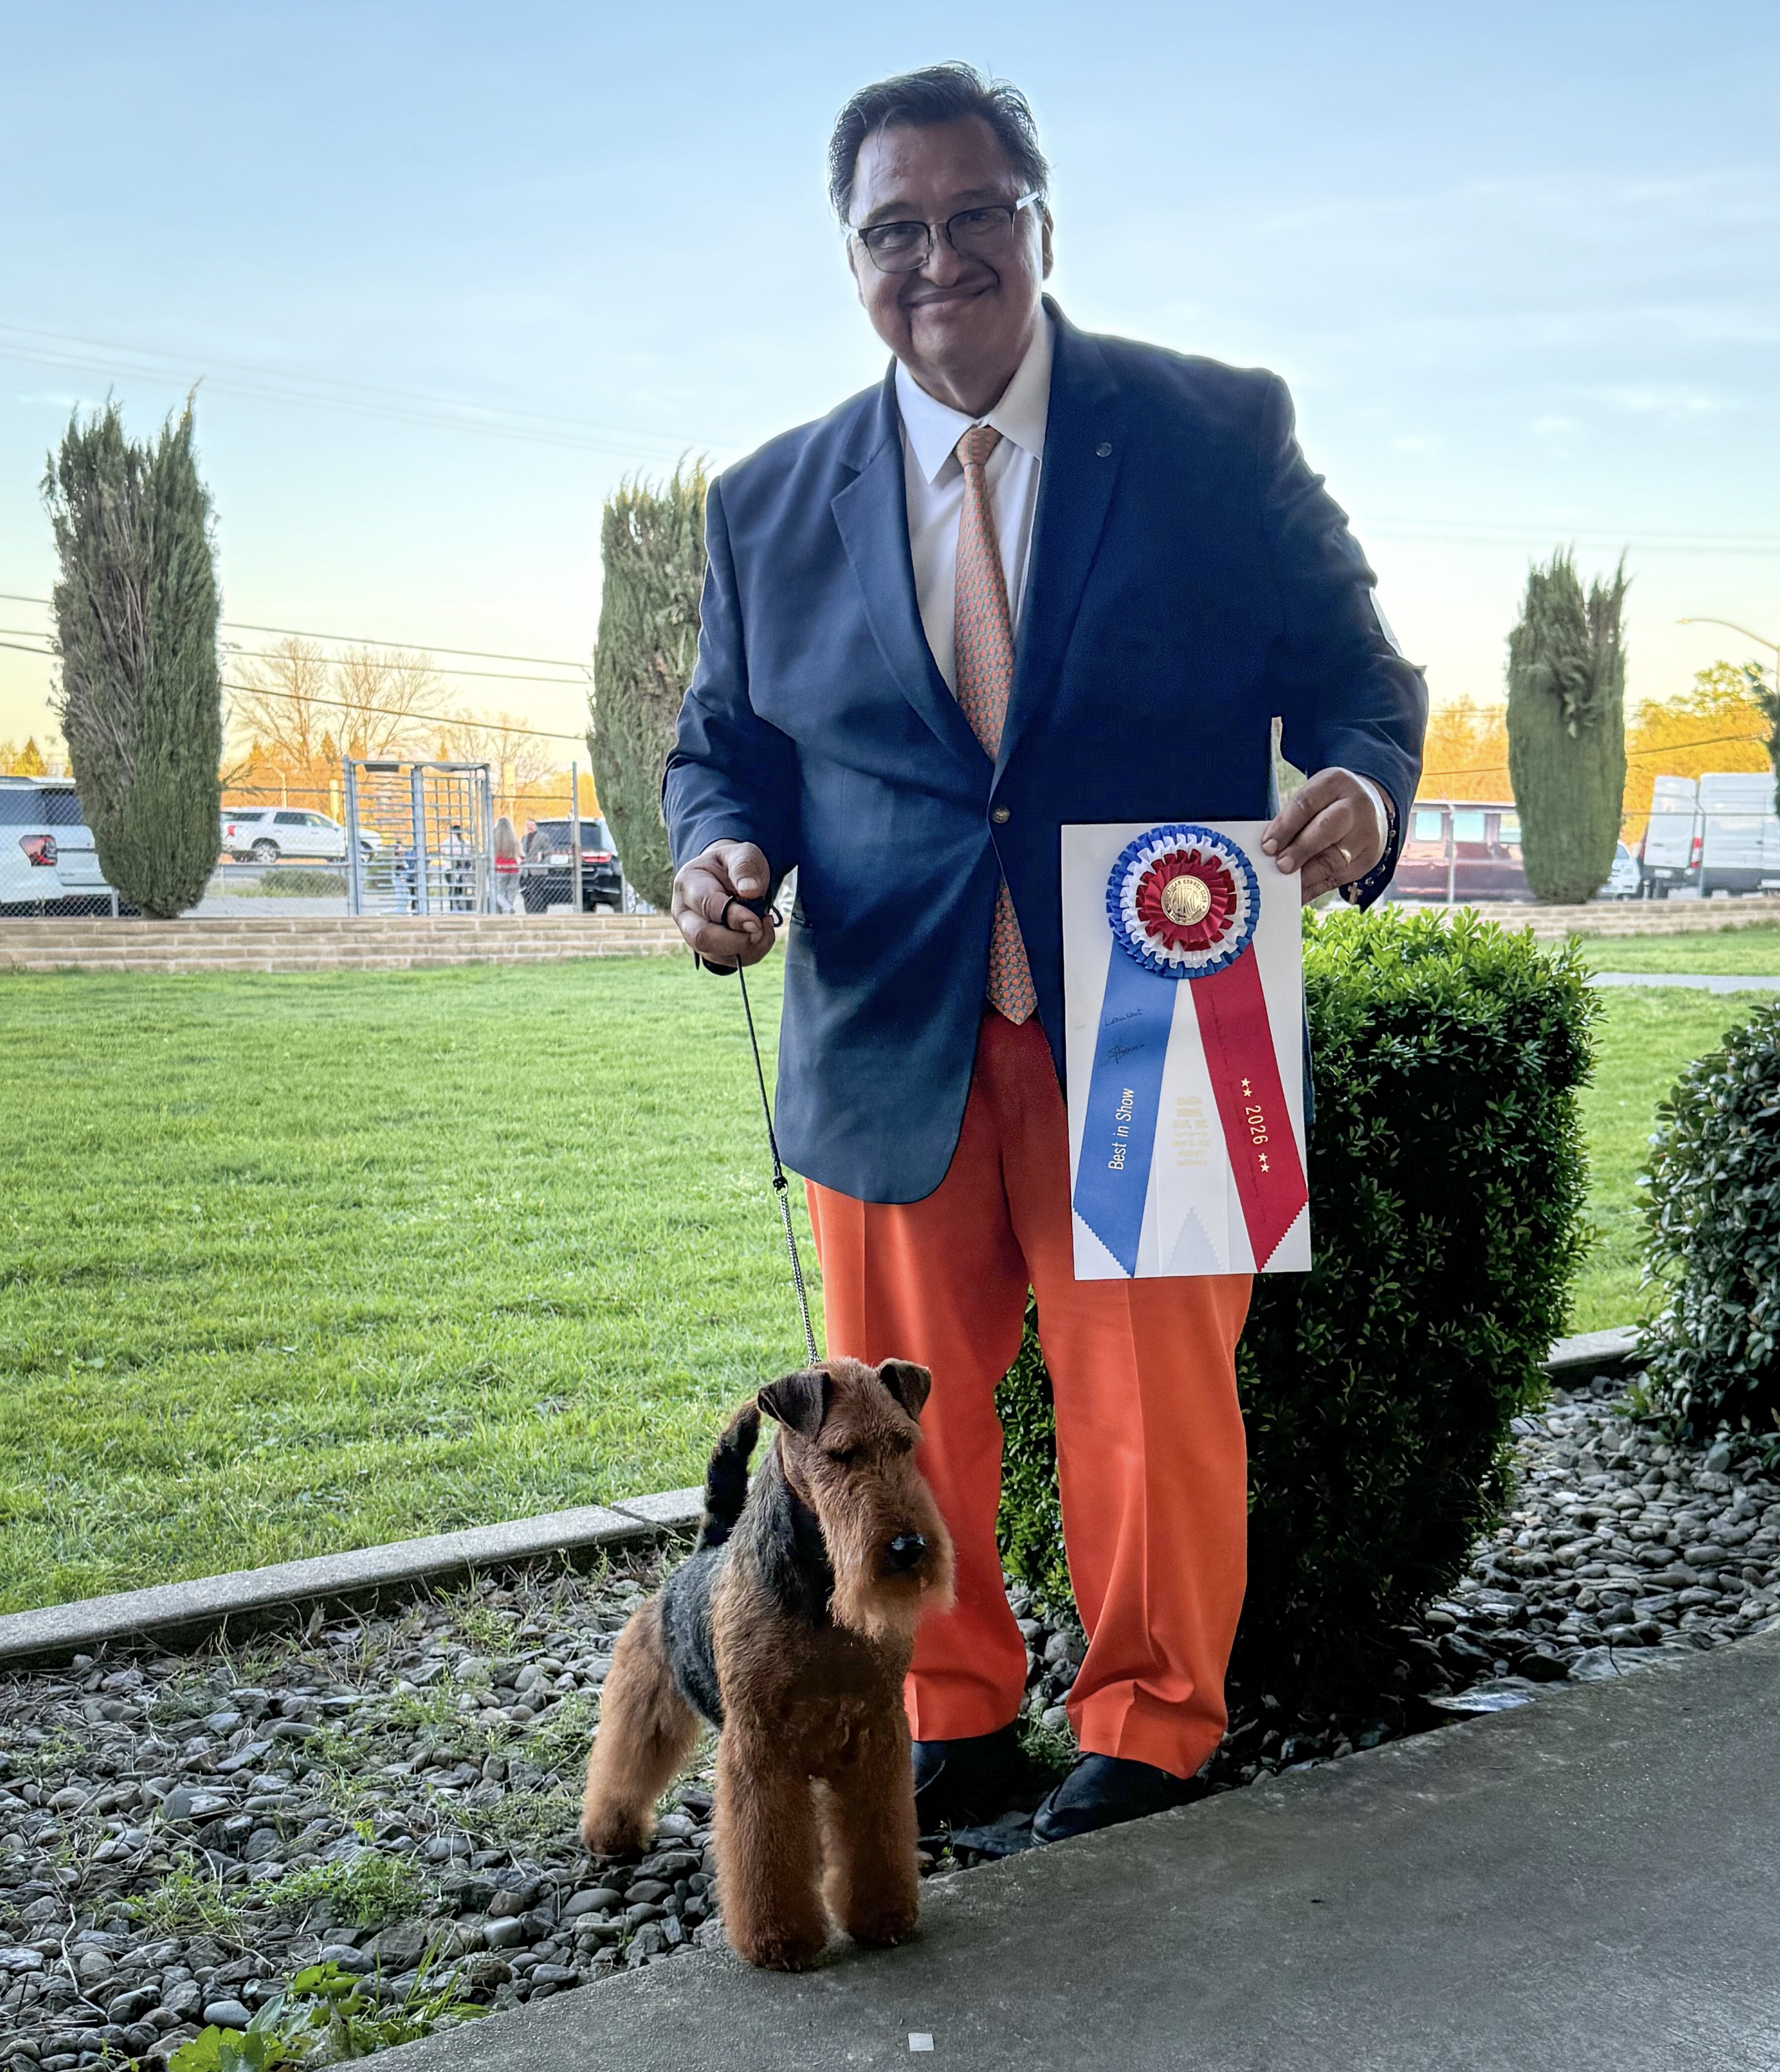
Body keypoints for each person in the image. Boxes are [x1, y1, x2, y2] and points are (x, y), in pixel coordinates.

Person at [664, 64, 1425, 1842]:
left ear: (1041, 223)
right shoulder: (765, 503)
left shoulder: (1213, 432)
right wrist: (716, 852)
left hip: (1162, 1009)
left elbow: (1360, 679)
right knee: (886, 1423)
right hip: (887, 1031)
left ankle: (1150, 1727)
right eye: (896, 228)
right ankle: (947, 1708)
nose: (939, 257)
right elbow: (724, 746)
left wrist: (1364, 788)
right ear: (852, 258)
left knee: (1154, 1407)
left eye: (974, 213)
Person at [491, 814, 520, 914]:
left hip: (500, 868)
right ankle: (509, 910)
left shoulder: (495, 838)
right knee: (512, 892)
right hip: (514, 868)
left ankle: (508, 908)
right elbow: (519, 853)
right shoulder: (513, 839)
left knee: (499, 892)